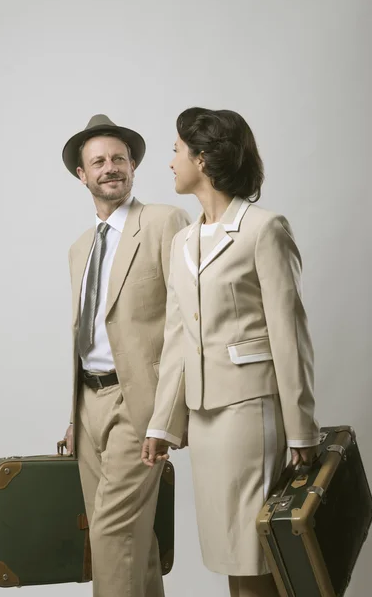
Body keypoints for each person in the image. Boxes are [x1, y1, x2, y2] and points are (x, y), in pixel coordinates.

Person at [142, 108, 320, 597]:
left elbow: (290, 334)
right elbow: (177, 337)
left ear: (203, 158)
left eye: (177, 150)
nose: (171, 160)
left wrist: (302, 427)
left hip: (250, 410)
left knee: (255, 549)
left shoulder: (265, 229)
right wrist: (162, 423)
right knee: (228, 552)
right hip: (203, 419)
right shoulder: (183, 241)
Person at [61, 114, 191, 597]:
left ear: (133, 164)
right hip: (88, 405)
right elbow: (86, 335)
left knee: (111, 535)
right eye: (99, 161)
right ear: (83, 174)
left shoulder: (162, 222)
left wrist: (168, 413)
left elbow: (186, 320)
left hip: (138, 401)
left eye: (119, 158)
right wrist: (74, 413)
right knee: (132, 539)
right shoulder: (79, 248)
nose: (110, 167)